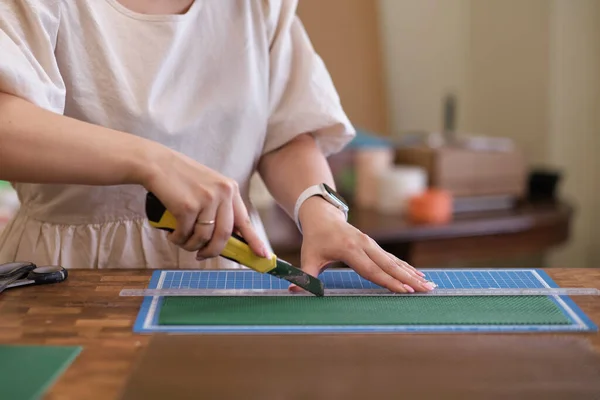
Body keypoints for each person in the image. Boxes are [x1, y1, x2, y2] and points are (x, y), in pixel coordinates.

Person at [0, 0, 434, 293]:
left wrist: (320, 212)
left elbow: (286, 132)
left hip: (226, 270)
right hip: (66, 273)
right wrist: (152, 161)